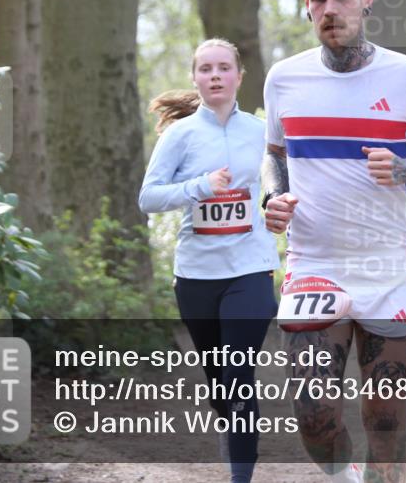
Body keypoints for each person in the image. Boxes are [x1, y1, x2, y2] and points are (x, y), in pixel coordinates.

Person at [261, 0, 406, 483]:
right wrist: (274, 198)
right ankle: (345, 477)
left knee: (385, 420)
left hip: (390, 264)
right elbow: (274, 154)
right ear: (307, 7)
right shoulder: (284, 78)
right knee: (313, 417)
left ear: (367, 0)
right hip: (314, 261)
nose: (330, 8)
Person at [138, 39, 278, 483]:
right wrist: (198, 186)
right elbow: (148, 197)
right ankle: (232, 428)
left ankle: (240, 477)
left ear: (239, 76)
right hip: (197, 275)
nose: (214, 75)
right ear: (195, 78)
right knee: (219, 379)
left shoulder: (261, 131)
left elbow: (285, 182)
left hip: (251, 269)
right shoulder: (180, 135)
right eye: (205, 69)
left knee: (238, 374)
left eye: (223, 68)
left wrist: (279, 204)